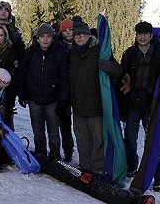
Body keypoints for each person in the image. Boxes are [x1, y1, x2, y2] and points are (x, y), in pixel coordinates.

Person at [120, 21, 160, 192]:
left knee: (153, 141)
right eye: (139, 34)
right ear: (136, 35)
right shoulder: (129, 54)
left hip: (151, 105)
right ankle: (131, 168)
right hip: (132, 104)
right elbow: (122, 75)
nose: (142, 37)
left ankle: (159, 177)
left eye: (145, 34)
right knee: (130, 139)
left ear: (151, 35)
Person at [68, 15, 122, 175]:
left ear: (88, 35)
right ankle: (85, 168)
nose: (80, 37)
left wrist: (109, 67)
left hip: (96, 107)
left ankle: (97, 170)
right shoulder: (71, 54)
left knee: (98, 141)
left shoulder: (100, 52)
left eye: (83, 34)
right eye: (77, 35)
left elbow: (118, 70)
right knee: (82, 140)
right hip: (78, 107)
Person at [17, 23, 70, 161]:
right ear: (38, 38)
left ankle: (54, 156)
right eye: (42, 36)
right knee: (38, 131)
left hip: (53, 100)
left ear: (53, 38)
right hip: (34, 99)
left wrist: (63, 100)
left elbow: (65, 77)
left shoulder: (60, 53)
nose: (45, 39)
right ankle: (41, 154)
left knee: (53, 131)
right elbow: (22, 73)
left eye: (48, 36)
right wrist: (22, 92)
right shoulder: (30, 52)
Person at [56, 18, 75, 162]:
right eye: (65, 30)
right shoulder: (58, 46)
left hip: (79, 88)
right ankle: (68, 150)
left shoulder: (81, 42)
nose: (68, 33)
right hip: (63, 89)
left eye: (70, 29)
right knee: (64, 122)